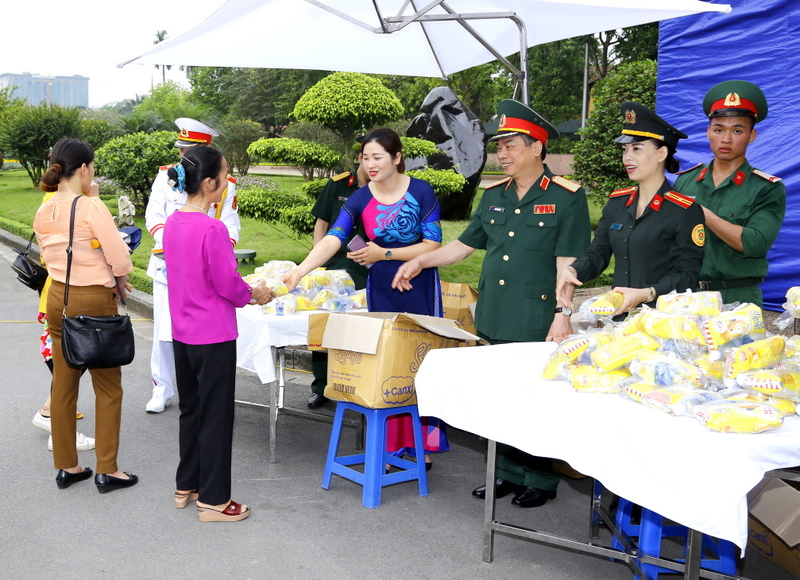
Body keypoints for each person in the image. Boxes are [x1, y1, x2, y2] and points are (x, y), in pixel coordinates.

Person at [392, 99, 592, 507]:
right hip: (495, 313)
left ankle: (539, 478)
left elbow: (566, 266)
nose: (501, 155)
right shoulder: (494, 195)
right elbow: (463, 247)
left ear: (537, 148)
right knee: (497, 399)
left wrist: (562, 314)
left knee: (534, 401)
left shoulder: (568, 198)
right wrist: (420, 260)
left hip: (536, 318)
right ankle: (505, 472)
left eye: (511, 146)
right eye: (498, 147)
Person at [282, 128, 446, 467]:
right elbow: (334, 238)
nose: (370, 164)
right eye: (365, 157)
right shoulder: (360, 198)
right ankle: (389, 447)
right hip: (382, 286)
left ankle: (419, 444)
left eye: (378, 157)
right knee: (387, 363)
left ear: (397, 158)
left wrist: (383, 253)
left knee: (419, 360)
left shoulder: (421, 191)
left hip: (418, 281)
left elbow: (432, 245)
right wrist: (302, 269)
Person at [163, 146, 274, 522]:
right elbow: (228, 284)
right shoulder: (213, 227)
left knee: (191, 410)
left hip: (183, 333)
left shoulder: (175, 221)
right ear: (209, 183)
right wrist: (255, 293)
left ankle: (187, 484)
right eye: (225, 174)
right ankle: (213, 499)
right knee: (215, 416)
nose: (228, 180)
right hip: (213, 335)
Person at [33, 138, 138, 492]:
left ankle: (67, 466)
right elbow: (121, 258)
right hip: (93, 299)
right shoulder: (92, 207)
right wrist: (118, 277)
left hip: (57, 297)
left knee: (64, 384)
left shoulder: (43, 210)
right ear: (84, 169)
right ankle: (107, 469)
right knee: (108, 387)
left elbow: (50, 259)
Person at [556, 102, 706, 316]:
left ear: (661, 154)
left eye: (637, 149)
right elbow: (598, 253)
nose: (627, 157)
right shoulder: (618, 203)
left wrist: (647, 293)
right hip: (618, 320)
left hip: (664, 322)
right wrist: (572, 270)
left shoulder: (684, 210)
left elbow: (687, 275)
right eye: (625, 149)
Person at [144, 118, 241, 413]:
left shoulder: (225, 185)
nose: (183, 157)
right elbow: (153, 216)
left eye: (189, 151)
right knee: (163, 329)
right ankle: (161, 388)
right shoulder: (166, 177)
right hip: (166, 263)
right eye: (181, 151)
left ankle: (196, 387)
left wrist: (207, 247)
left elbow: (230, 227)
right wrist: (175, 244)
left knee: (196, 333)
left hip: (204, 266)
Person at [672, 80, 786, 309]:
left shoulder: (766, 188)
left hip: (738, 298)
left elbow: (756, 244)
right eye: (719, 129)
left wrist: (705, 216)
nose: (726, 139)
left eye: (737, 130)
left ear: (752, 135)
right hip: (687, 297)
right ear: (708, 132)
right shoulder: (685, 181)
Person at [307, 155, 370, 408]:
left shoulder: (384, 187)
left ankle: (356, 385)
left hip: (366, 267)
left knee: (361, 326)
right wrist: (316, 261)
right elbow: (321, 223)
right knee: (324, 324)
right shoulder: (338, 185)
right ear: (359, 157)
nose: (372, 164)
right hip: (333, 263)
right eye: (367, 157)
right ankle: (320, 387)